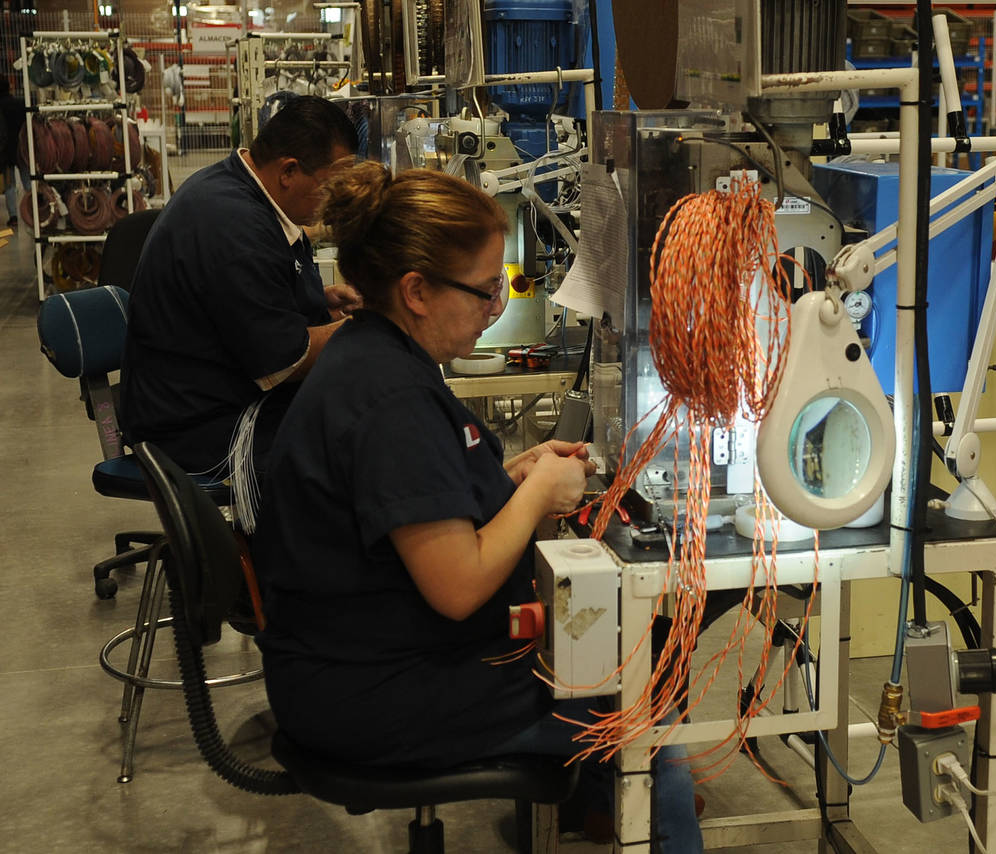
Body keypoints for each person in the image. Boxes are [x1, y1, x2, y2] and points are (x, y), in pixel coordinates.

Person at [250, 162, 703, 852]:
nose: (496, 308)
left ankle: (593, 808)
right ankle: (636, 816)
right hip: (375, 696)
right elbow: (458, 585)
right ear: (416, 291)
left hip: (357, 664)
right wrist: (536, 495)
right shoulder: (389, 398)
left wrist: (504, 476)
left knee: (623, 649)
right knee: (644, 690)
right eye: (486, 290)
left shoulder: (376, 356)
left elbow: (420, 499)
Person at [119, 95, 361, 484]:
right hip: (198, 430)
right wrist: (367, 326)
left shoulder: (244, 192)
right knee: (362, 442)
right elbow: (284, 362)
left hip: (214, 399)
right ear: (289, 171)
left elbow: (255, 299)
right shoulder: (233, 223)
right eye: (331, 185)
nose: (335, 200)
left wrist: (321, 303)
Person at [0, 77, 26, 228]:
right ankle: (33, 211)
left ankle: (14, 217)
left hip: (6, 152)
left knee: (10, 185)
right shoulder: (20, 103)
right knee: (28, 182)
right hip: (22, 149)